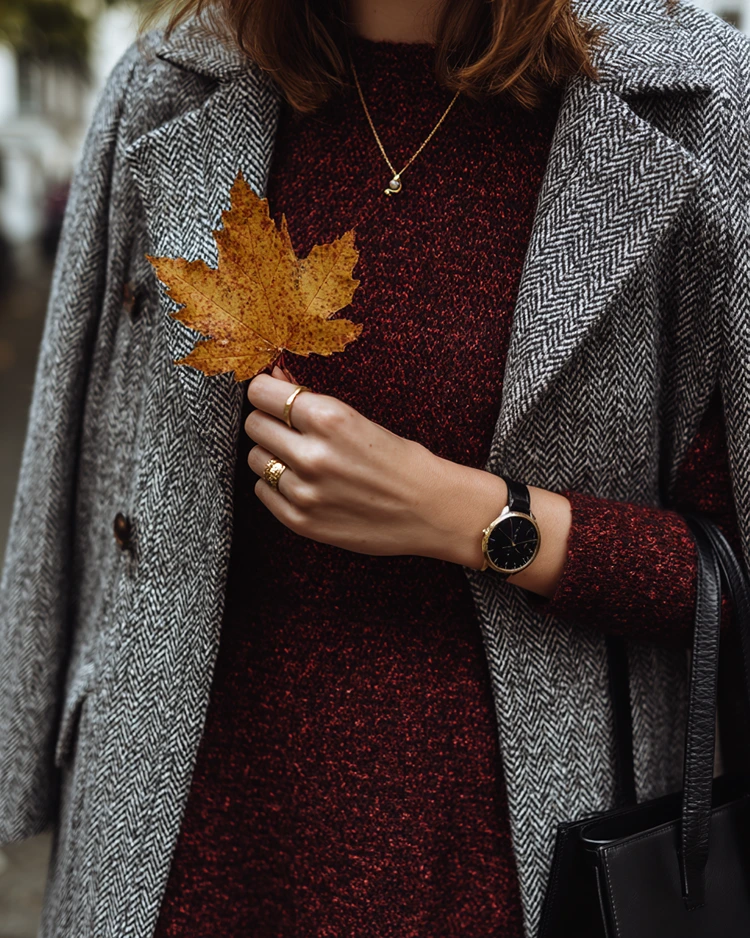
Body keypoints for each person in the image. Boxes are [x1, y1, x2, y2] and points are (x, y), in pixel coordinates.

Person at [0, 0, 748, 935]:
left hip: (517, 859)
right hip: (181, 844)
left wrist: (473, 518)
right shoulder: (168, 82)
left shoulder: (698, 105)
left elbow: (730, 570)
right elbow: (76, 454)